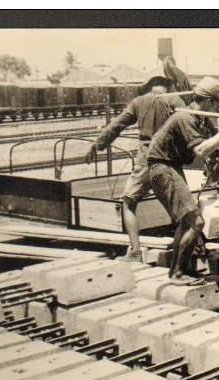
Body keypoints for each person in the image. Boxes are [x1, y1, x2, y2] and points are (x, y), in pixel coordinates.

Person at [147, 77, 219, 285]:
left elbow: (218, 140)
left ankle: (177, 270)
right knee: (196, 221)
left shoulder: (200, 117)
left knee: (187, 220)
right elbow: (201, 150)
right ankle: (178, 273)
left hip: (170, 167)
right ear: (209, 101)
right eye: (217, 103)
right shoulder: (186, 117)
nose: (218, 107)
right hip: (162, 168)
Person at [84, 74, 185, 262]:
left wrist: (97, 145)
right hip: (168, 161)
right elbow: (190, 124)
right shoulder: (175, 100)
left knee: (128, 203)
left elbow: (117, 125)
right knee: (183, 213)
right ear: (168, 85)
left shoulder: (139, 102)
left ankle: (136, 252)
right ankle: (180, 256)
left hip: (145, 159)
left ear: (149, 85)